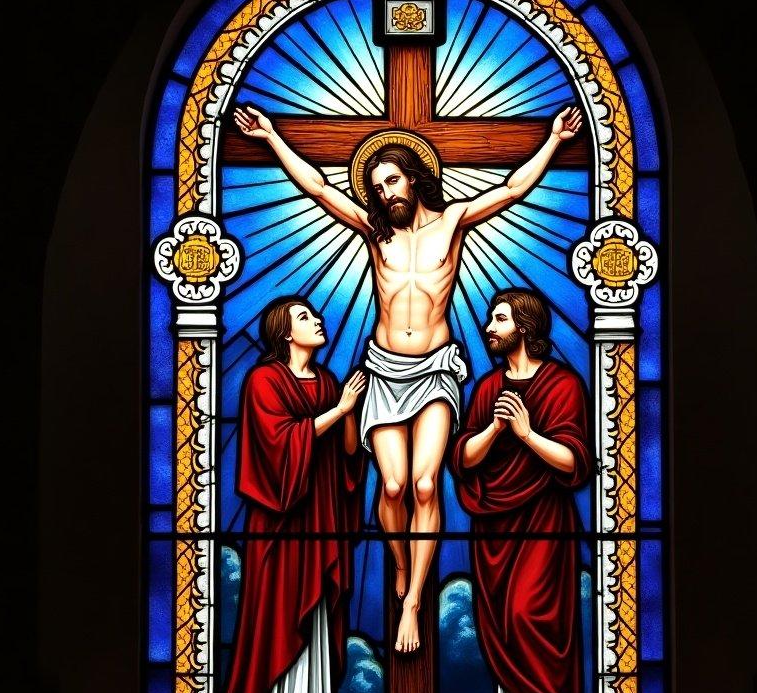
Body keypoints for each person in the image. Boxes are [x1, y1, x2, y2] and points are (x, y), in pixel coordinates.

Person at [234, 104, 583, 654]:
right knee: (392, 486)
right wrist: (274, 138)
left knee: (425, 485)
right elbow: (320, 192)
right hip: (383, 368)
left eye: (392, 181)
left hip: (437, 368)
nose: (385, 193)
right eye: (376, 187)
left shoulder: (453, 222)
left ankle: (414, 599)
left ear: (415, 179)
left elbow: (513, 189)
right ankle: (401, 564)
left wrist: (555, 142)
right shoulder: (375, 234)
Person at [218, 296, 366, 693]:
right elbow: (278, 446)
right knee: (275, 612)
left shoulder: (325, 381)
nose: (317, 320)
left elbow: (346, 455)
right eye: (305, 317)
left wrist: (351, 411)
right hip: (281, 519)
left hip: (322, 513)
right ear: (284, 332)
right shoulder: (264, 381)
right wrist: (338, 410)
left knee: (318, 610)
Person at [450, 289, 592, 693]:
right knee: (499, 623)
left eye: (500, 319)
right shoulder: (489, 389)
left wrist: (529, 434)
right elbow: (463, 459)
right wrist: (493, 429)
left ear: (525, 329)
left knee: (530, 616)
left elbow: (574, 461)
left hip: (544, 521)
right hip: (494, 525)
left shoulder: (562, 385)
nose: (490, 327)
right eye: (492, 319)